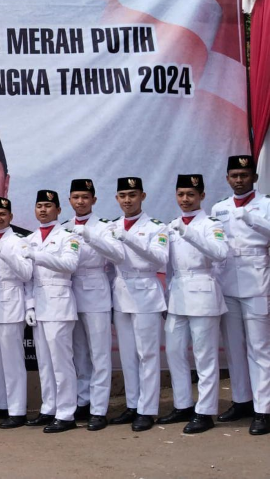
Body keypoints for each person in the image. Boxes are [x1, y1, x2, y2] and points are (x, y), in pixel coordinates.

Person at [159, 175, 227, 434]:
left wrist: (190, 234)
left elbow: (220, 253)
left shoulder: (211, 224)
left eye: (190, 194)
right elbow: (166, 264)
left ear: (202, 196)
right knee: (174, 353)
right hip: (178, 295)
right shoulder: (172, 224)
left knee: (205, 357)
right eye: (180, 194)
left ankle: (206, 411)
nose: (185, 199)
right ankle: (183, 404)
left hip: (203, 293)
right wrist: (165, 295)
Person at [211, 155, 270, 435]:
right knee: (233, 347)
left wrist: (250, 217)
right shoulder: (218, 208)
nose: (239, 180)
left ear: (254, 178)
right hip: (226, 281)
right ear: (227, 178)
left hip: (257, 280)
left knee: (259, 348)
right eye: (234, 175)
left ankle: (264, 409)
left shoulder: (266, 205)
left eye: (244, 175)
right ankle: (242, 400)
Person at [107, 177, 169, 432]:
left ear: (142, 196)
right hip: (121, 294)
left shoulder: (156, 226)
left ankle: (148, 408)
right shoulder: (111, 226)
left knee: (148, 354)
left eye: (132, 195)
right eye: (122, 195)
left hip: (146, 293)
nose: (127, 200)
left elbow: (160, 258)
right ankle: (132, 404)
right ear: (117, 199)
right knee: (128, 355)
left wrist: (130, 239)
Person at [63, 179, 122, 431]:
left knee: (99, 353)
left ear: (94, 200)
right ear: (69, 201)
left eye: (85, 197)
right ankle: (83, 400)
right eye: (76, 197)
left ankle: (99, 408)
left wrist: (91, 236)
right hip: (70, 291)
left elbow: (115, 255)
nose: (80, 201)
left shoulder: (104, 227)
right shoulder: (63, 227)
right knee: (79, 353)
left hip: (96, 289)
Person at [24, 190, 80, 433]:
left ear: (58, 210)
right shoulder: (31, 237)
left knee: (61, 362)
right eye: (39, 206)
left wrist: (39, 255)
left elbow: (70, 264)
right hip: (39, 302)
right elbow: (27, 277)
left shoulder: (69, 235)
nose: (43, 210)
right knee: (45, 363)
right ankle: (49, 408)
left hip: (59, 302)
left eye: (48, 205)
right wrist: (29, 304)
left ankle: (66, 412)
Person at [0, 197, 32, 429]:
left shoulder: (19, 242)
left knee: (13, 360)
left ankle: (17, 409)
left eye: (2, 214)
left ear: (10, 217)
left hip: (13, 301)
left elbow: (26, 273)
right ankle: (1, 403)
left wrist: (4, 252)